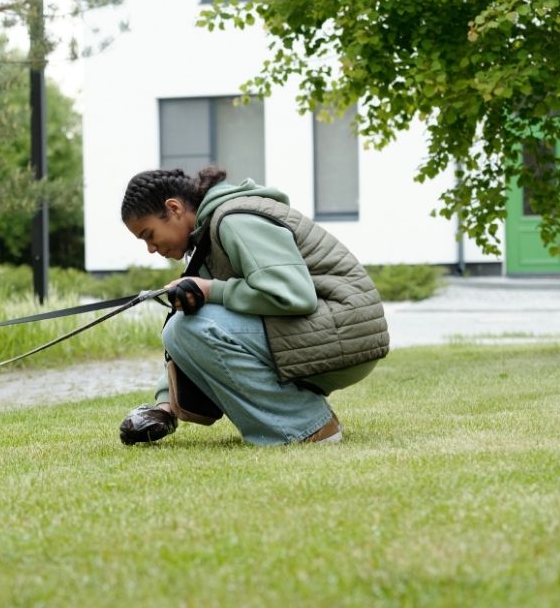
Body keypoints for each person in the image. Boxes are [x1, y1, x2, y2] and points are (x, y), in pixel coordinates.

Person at [117, 166, 389, 446]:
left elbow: (293, 294)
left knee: (187, 326)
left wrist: (212, 290)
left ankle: (308, 427)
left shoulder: (234, 219)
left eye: (149, 235)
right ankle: (302, 417)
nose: (150, 248)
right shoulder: (206, 239)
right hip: (331, 334)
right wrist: (165, 405)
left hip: (347, 333)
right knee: (182, 325)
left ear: (173, 208)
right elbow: (187, 330)